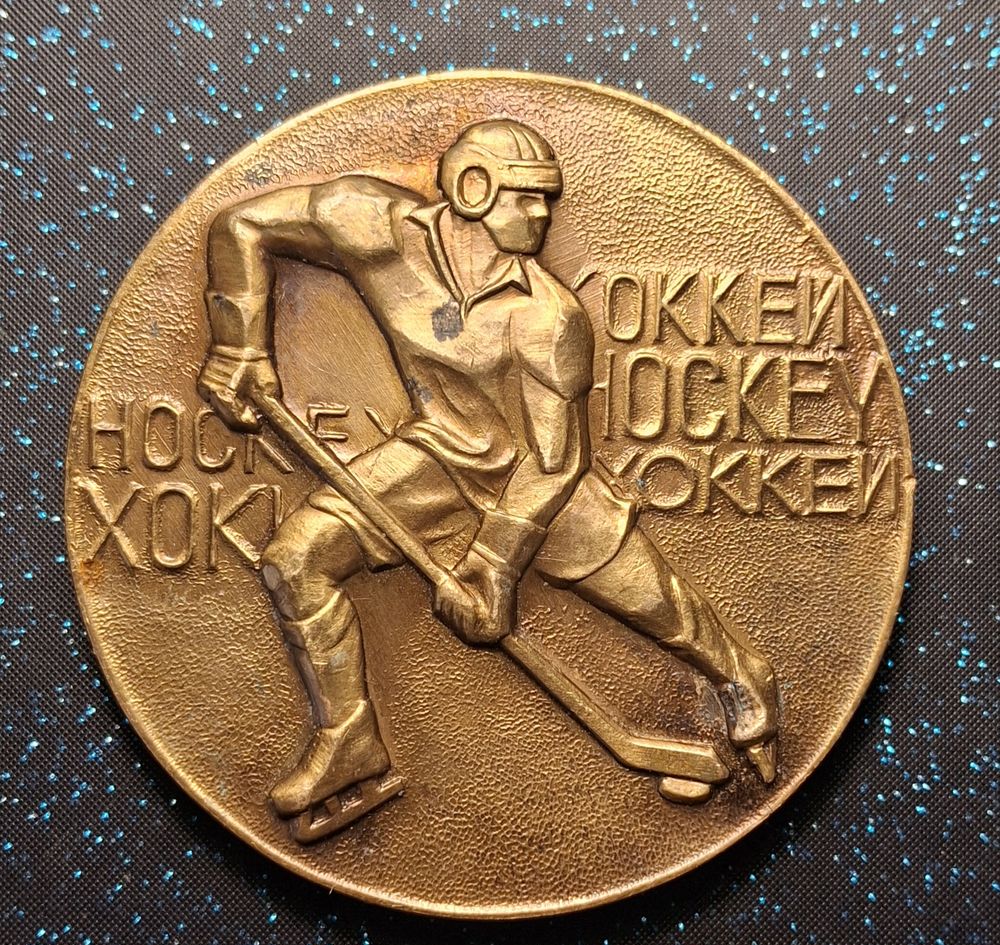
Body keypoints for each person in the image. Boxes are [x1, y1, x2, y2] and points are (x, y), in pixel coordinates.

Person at [198, 119, 777, 818]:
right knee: (295, 559)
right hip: (437, 455)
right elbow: (240, 226)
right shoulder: (369, 223)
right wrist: (240, 349)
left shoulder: (548, 317)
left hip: (539, 482)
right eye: (527, 197)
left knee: (663, 610)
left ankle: (744, 674)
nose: (543, 215)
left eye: (549, 200)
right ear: (473, 189)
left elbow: (556, 459)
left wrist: (494, 565)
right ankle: (350, 740)